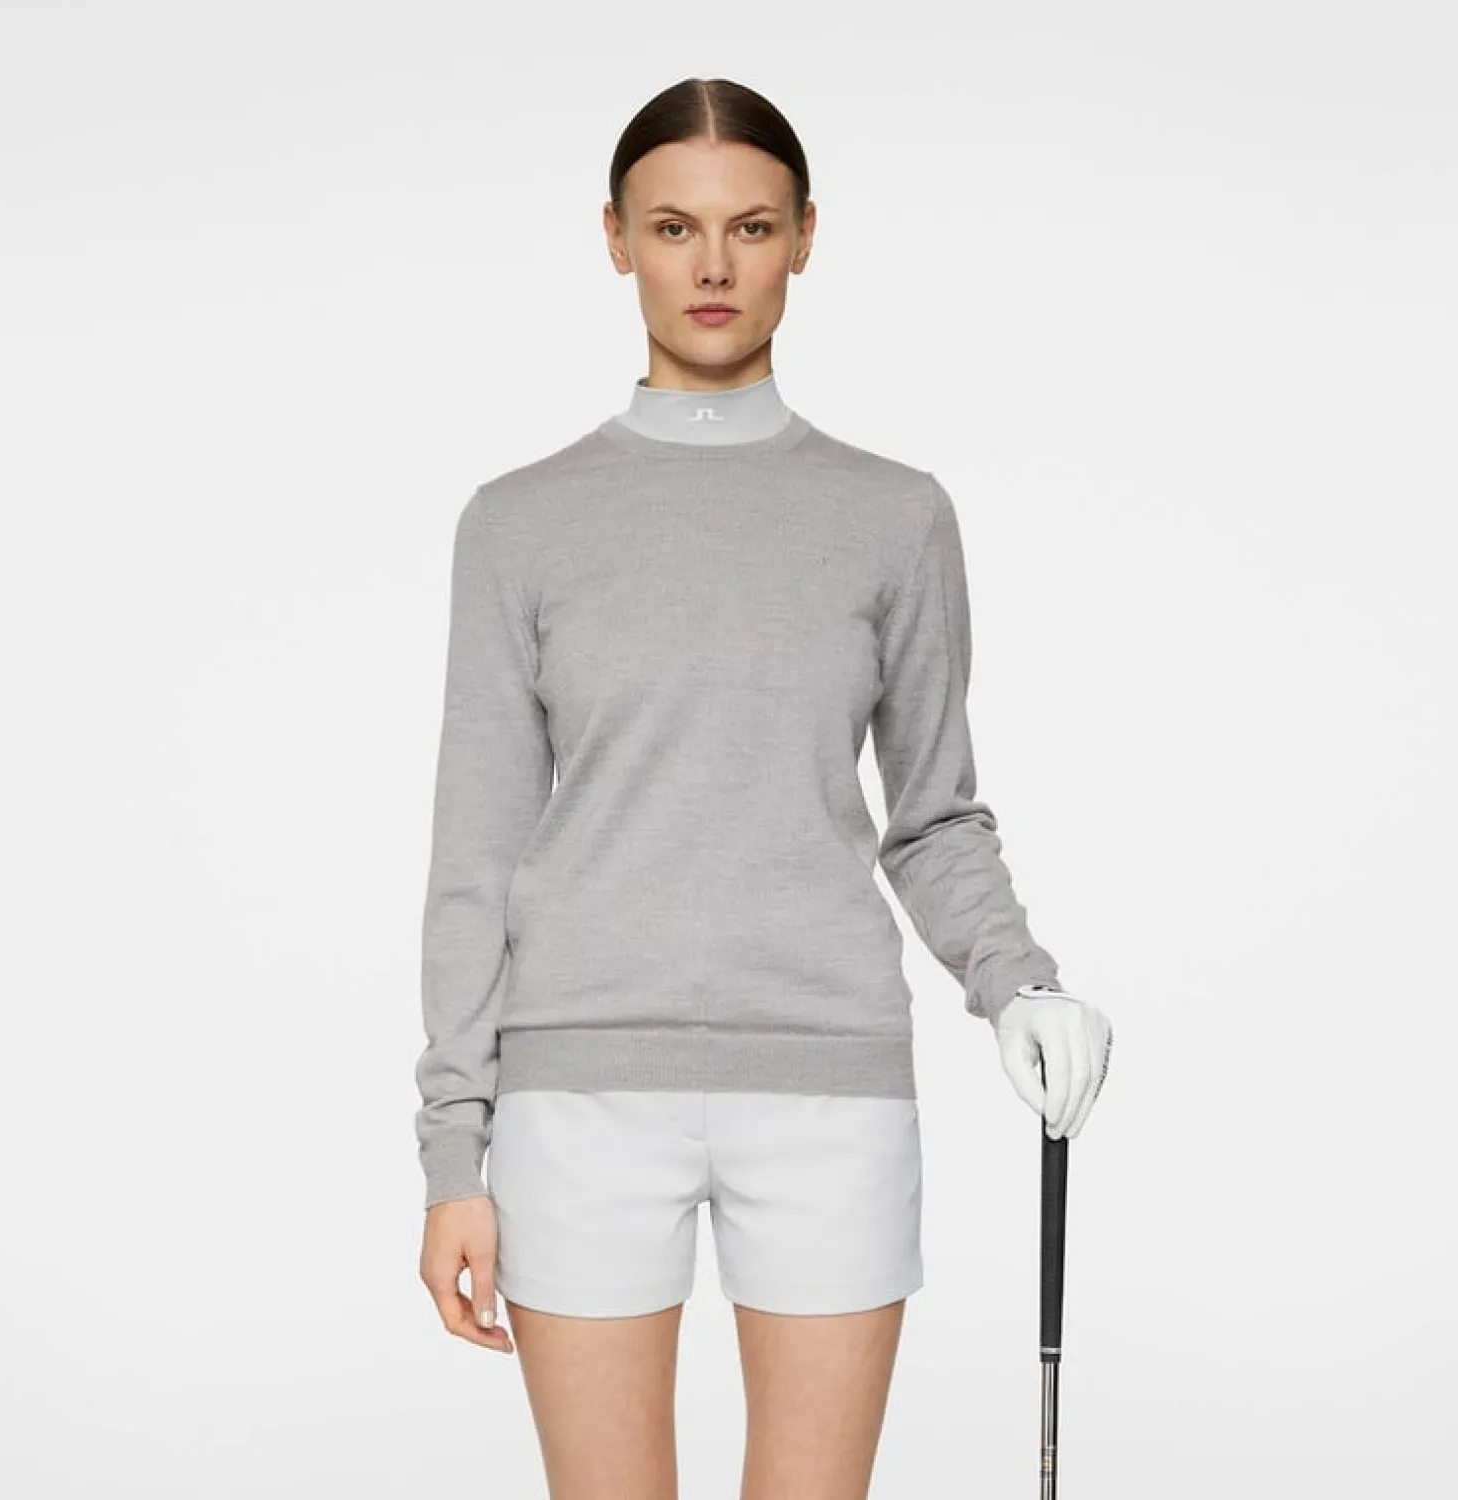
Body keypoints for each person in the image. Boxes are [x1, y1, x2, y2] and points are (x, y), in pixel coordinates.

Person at [413, 75, 1114, 1500]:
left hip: (829, 1089)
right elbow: (476, 856)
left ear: (804, 237)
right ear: (616, 238)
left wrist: (1019, 984)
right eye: (674, 226)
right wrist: (452, 1156)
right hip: (577, 1097)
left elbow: (933, 815)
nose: (713, 265)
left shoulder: (893, 516)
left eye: (750, 226)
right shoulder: (520, 524)